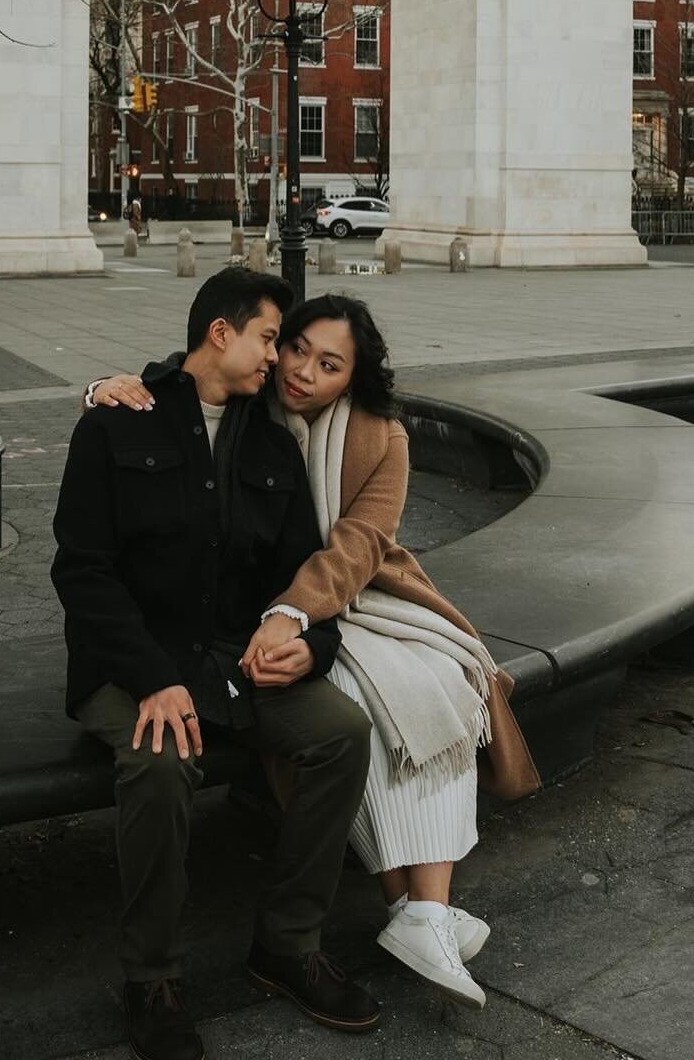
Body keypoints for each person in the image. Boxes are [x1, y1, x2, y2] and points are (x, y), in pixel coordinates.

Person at [85, 293, 540, 1010]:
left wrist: (302, 627)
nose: (295, 368)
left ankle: (387, 915)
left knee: (418, 689)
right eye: (290, 346)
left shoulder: (369, 434)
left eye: (327, 364)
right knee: (189, 752)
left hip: (344, 598)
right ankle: (161, 981)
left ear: (352, 378)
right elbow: (185, 380)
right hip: (197, 638)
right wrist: (101, 387)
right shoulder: (236, 401)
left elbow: (352, 545)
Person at [53, 269, 381, 1060]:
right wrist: (152, 678)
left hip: (234, 665)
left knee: (342, 731)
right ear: (221, 333)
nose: (278, 358)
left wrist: (311, 646)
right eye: (272, 338)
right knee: (163, 759)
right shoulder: (117, 423)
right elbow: (81, 571)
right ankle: (153, 978)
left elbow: (302, 577)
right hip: (130, 667)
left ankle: (287, 944)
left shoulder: (270, 442)